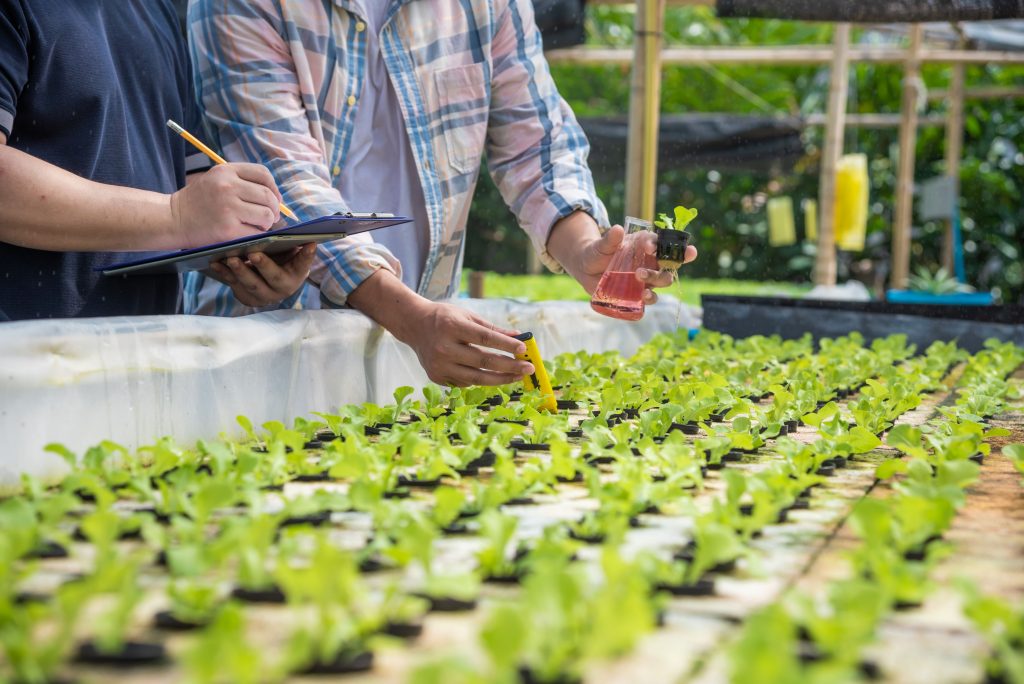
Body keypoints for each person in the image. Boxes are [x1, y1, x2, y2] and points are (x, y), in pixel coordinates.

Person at [186, 0, 697, 385]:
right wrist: (412, 317)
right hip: (267, 341)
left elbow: (536, 143)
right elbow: (286, 185)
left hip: (424, 343)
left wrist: (587, 249)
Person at [0, 0, 314, 321]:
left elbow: (182, 180)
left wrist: (249, 249)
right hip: (28, 357)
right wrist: (176, 216)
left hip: (148, 354)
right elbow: (177, 210)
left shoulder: (155, 8)